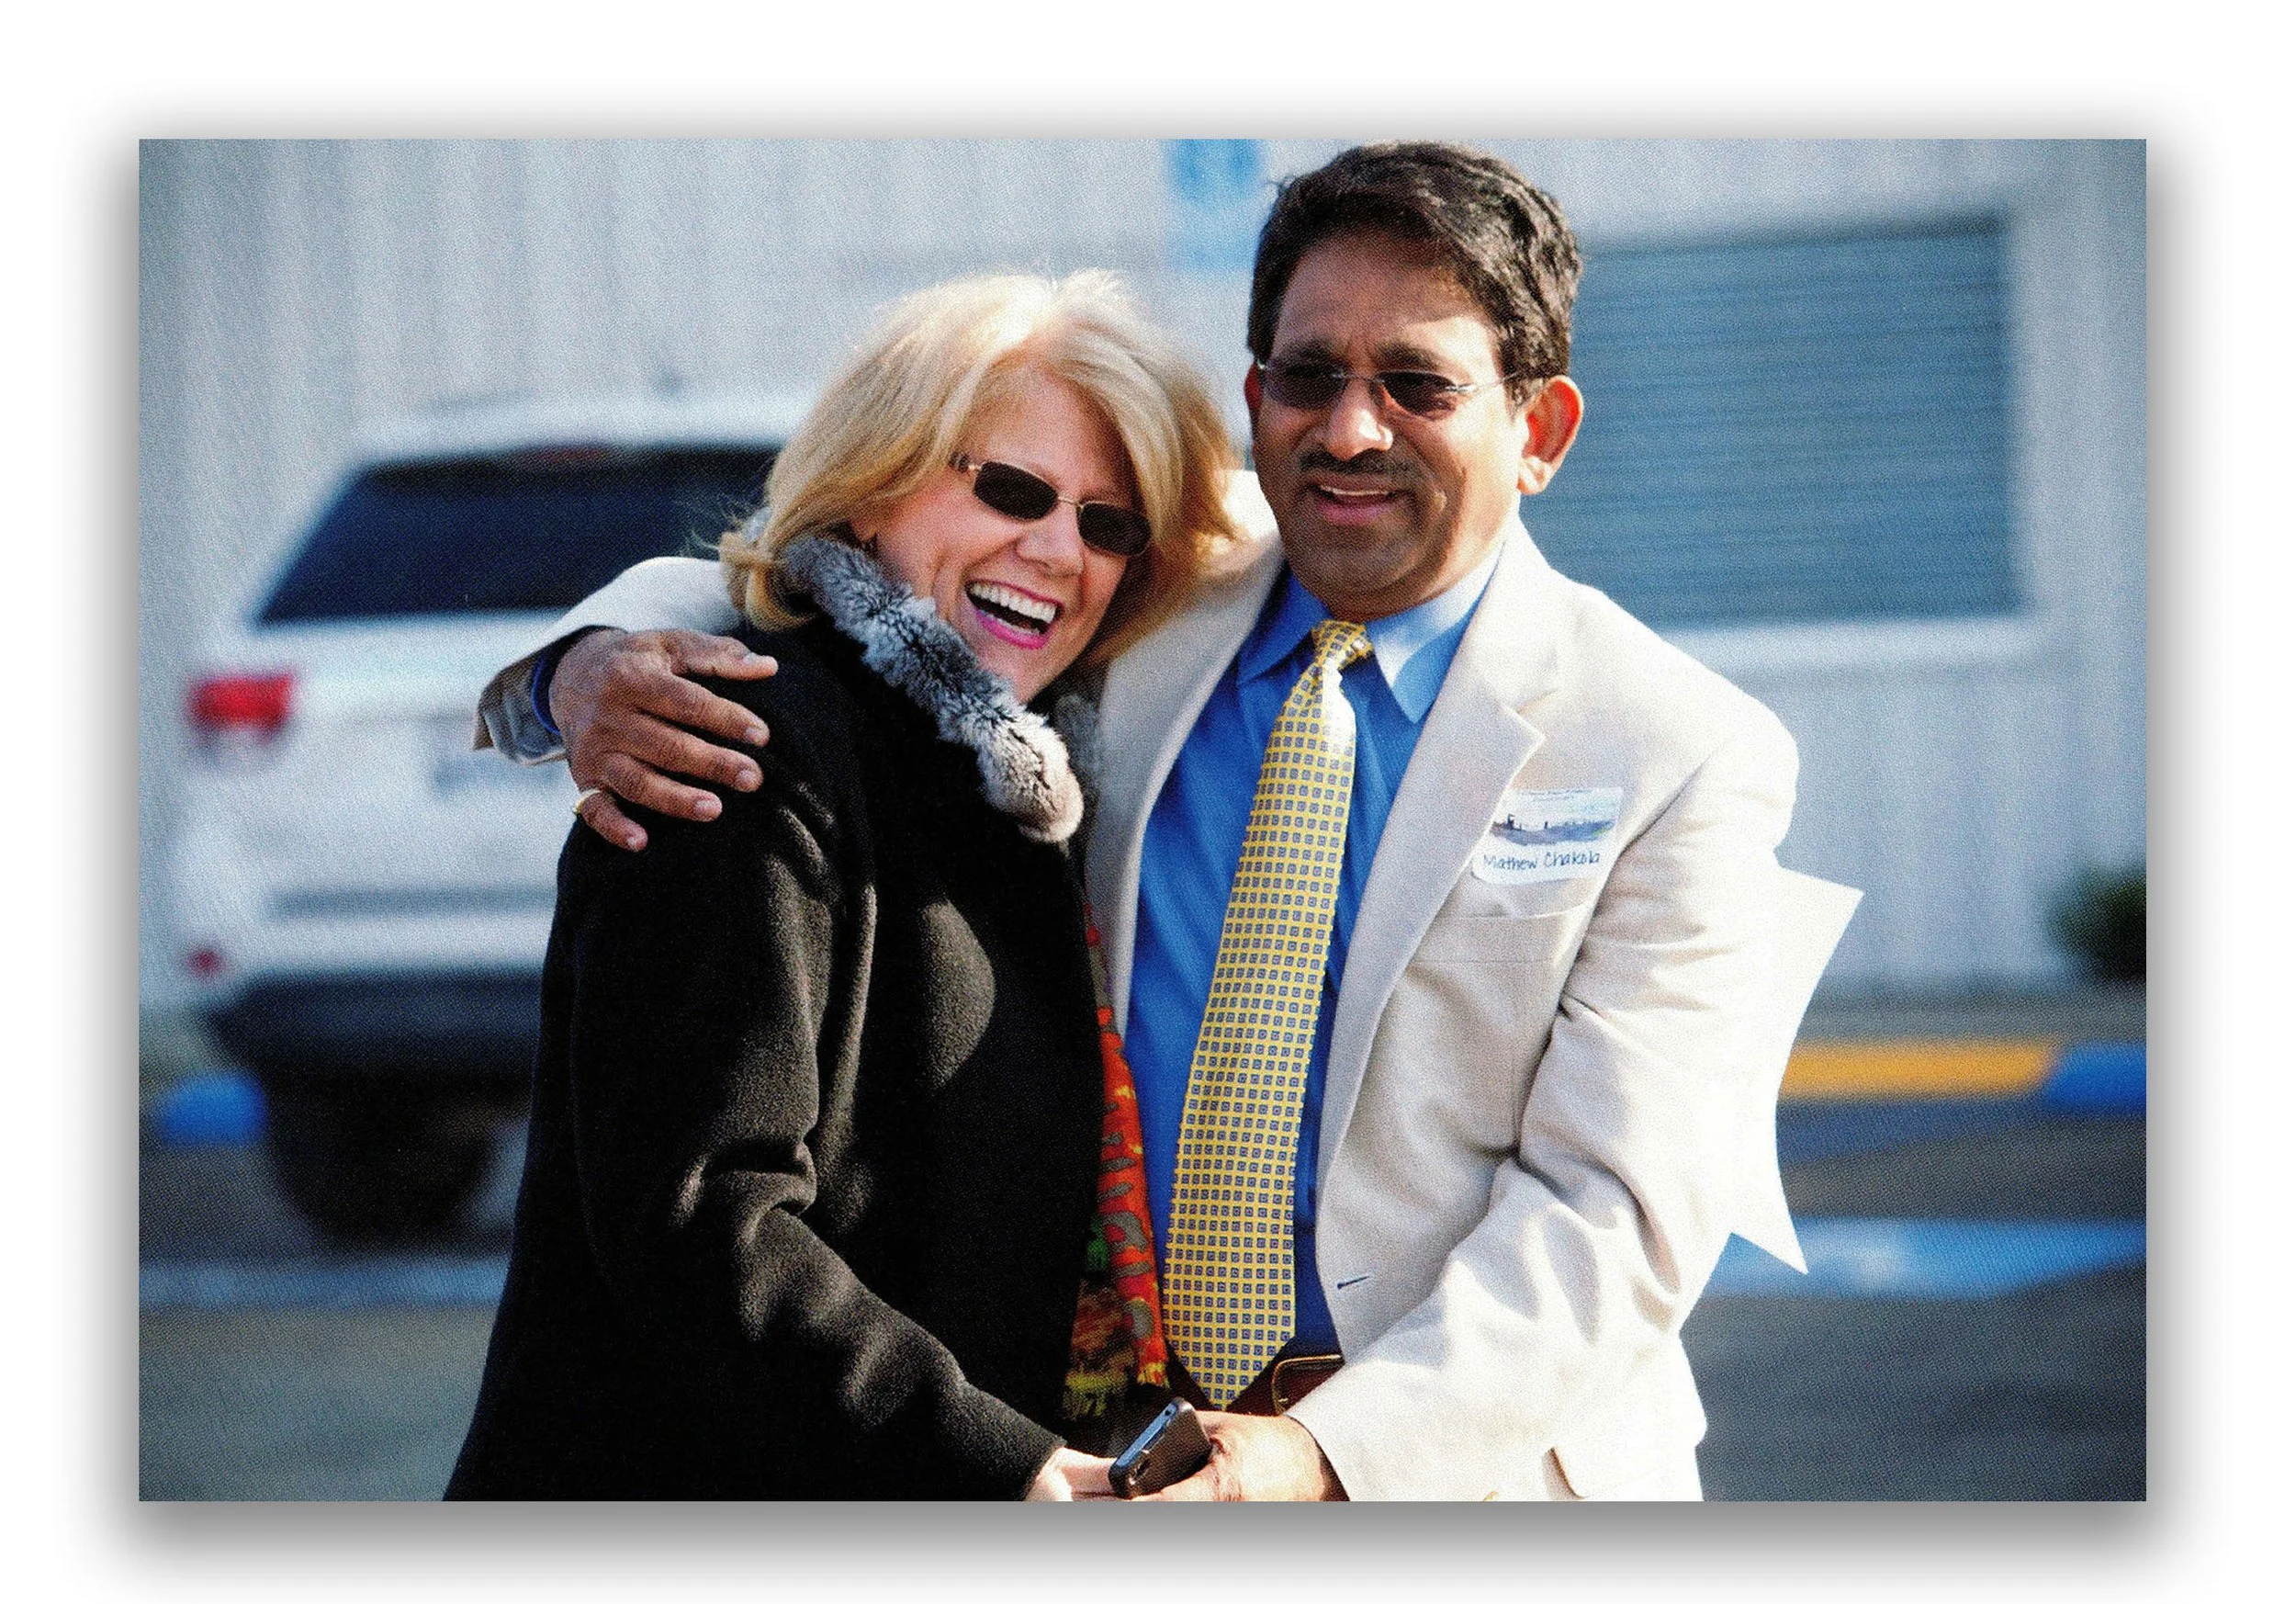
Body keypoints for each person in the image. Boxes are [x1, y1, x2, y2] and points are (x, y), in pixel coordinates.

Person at [474, 142, 1859, 1501]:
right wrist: (584, 666)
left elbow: (1614, 1218)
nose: (1352, 430)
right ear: (1258, 397)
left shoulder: (1677, 752)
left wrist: (1321, 1458)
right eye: (1309, 376)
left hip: (1467, 1478)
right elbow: (852, 571)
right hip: (1120, 1455)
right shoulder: (1153, 599)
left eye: (1419, 385)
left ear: (1538, 431)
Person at [447, 269, 1242, 1499]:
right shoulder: (733, 745)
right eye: (1012, 490)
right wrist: (1006, 1467)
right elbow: (703, 1221)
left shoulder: (1020, 780)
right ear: (875, 486)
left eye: (1108, 524)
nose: (1057, 549)